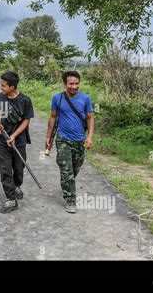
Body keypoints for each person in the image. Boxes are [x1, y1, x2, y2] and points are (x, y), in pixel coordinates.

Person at [46, 70, 94, 213]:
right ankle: (71, 200)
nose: (74, 86)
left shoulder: (85, 99)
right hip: (63, 139)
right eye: (71, 84)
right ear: (65, 84)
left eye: (76, 83)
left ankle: (67, 186)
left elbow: (90, 118)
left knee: (74, 169)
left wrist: (90, 136)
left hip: (79, 141)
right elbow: (53, 117)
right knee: (67, 170)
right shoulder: (57, 98)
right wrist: (48, 137)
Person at [0, 71, 34, 213]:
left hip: (19, 140)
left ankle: (17, 185)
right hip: (3, 140)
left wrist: (14, 136)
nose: (1, 88)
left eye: (3, 85)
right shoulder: (0, 97)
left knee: (18, 167)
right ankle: (11, 199)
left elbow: (26, 121)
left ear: (12, 86)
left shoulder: (25, 101)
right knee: (5, 169)